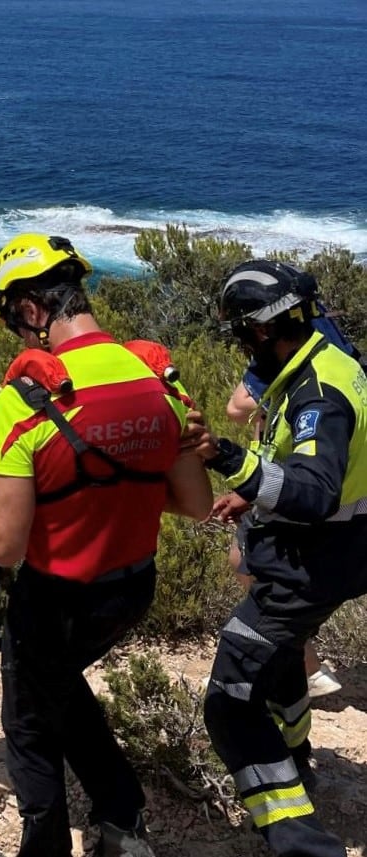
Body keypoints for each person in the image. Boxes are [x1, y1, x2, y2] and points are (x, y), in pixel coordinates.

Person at [0, 234, 212, 857]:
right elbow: (196, 503)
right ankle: (123, 818)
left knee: (28, 723)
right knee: (61, 687)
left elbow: (2, 545)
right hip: (131, 588)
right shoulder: (158, 378)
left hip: (56, 598)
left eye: (15, 326)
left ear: (30, 310)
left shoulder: (25, 400)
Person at [198, 259, 367, 857]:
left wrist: (228, 459)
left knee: (227, 704)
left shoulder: (318, 392)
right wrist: (249, 496)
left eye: (243, 334)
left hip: (306, 569)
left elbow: (315, 492)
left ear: (262, 331)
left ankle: (304, 846)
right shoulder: (320, 365)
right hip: (327, 558)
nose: (244, 347)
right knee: (282, 659)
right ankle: (297, 759)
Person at [223, 279, 360, 699]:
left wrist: (229, 462)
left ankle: (304, 667)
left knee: (246, 565)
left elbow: (236, 408)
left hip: (304, 511)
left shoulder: (299, 368)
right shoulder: (327, 342)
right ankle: (302, 667)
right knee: (242, 560)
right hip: (338, 502)